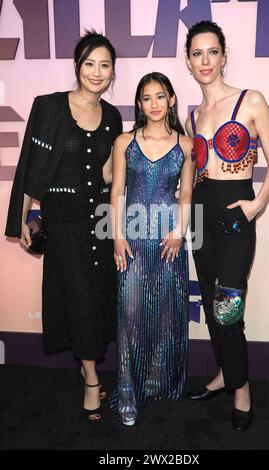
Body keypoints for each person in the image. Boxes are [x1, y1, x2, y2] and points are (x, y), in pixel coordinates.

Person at [5, 30, 123, 425]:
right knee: (77, 295)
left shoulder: (112, 117)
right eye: (90, 63)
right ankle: (91, 378)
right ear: (77, 66)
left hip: (100, 220)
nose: (96, 71)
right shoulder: (50, 107)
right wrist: (22, 216)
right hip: (64, 220)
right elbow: (31, 168)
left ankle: (87, 365)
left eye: (104, 65)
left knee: (97, 295)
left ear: (112, 73)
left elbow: (109, 173)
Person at [184, 21, 269, 431]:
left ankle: (241, 389)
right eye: (196, 54)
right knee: (210, 305)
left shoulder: (251, 100)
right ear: (188, 63)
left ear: (223, 56)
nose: (205, 61)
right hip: (202, 217)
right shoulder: (192, 114)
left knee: (228, 312)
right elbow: (193, 167)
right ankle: (225, 373)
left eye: (212, 52)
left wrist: (257, 204)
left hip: (235, 216)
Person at [108, 72, 194, 425]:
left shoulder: (187, 145)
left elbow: (187, 193)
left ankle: (157, 379)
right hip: (131, 237)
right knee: (129, 314)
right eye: (147, 98)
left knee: (166, 312)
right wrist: (116, 236)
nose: (154, 104)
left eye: (161, 96)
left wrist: (179, 232)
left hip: (168, 239)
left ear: (172, 99)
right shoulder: (124, 142)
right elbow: (115, 192)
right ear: (139, 104)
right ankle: (127, 389)